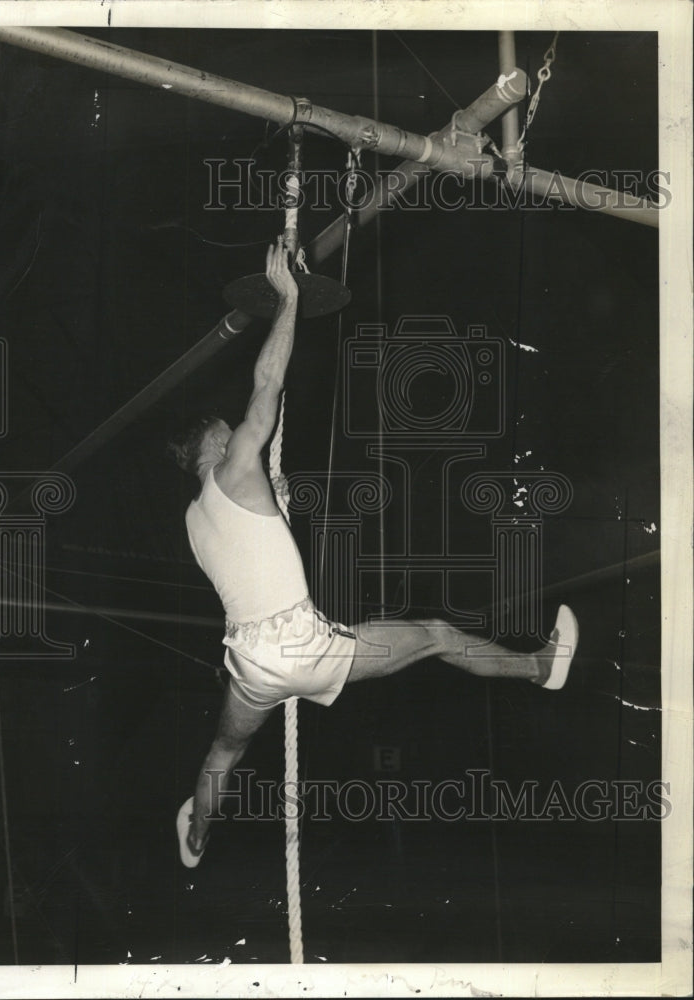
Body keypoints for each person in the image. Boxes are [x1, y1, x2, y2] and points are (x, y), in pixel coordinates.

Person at [168, 237, 578, 868]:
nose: (236, 426)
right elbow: (268, 381)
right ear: (215, 445)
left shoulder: (196, 519)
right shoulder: (237, 459)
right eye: (228, 429)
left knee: (223, 754)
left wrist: (269, 497)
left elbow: (247, 552)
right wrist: (288, 301)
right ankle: (539, 670)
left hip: (250, 664)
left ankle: (196, 836)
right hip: (298, 646)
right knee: (438, 634)